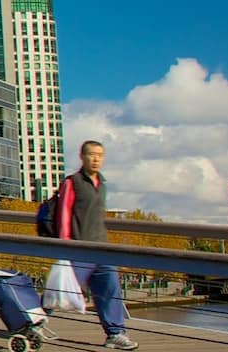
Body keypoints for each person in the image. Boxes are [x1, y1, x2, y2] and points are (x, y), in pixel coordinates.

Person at [48, 140, 139, 350]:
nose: (96, 159)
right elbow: (63, 214)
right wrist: (65, 244)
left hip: (102, 249)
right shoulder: (72, 182)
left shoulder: (102, 185)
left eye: (100, 155)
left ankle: (115, 333)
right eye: (91, 154)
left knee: (109, 290)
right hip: (78, 249)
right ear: (82, 157)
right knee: (59, 290)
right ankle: (33, 322)